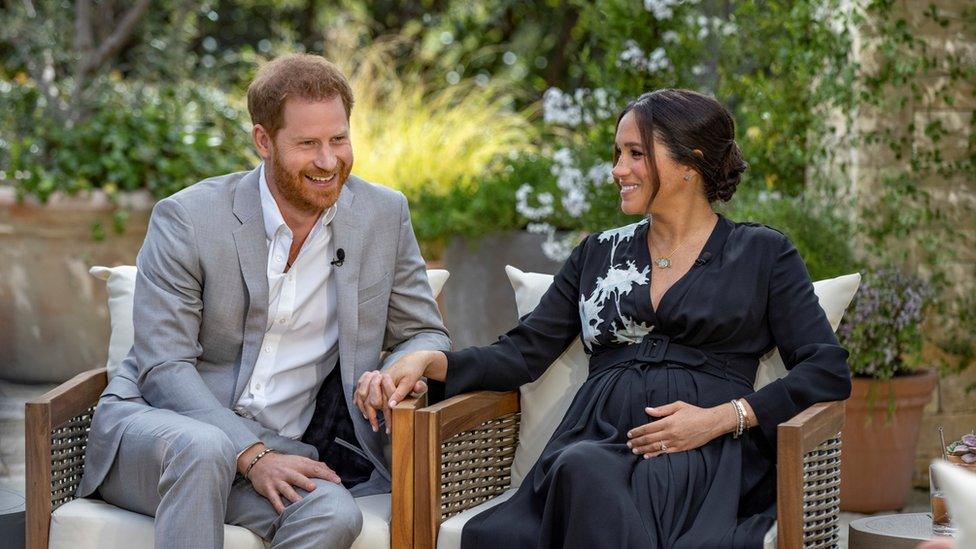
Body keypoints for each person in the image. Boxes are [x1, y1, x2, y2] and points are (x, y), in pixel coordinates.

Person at [361, 89, 852, 547]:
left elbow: (826, 369)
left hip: (703, 452)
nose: (619, 169)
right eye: (618, 154)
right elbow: (521, 353)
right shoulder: (599, 253)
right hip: (597, 440)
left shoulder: (762, 253)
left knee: (589, 476)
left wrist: (725, 419)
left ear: (691, 163)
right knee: (580, 469)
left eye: (636, 154)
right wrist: (432, 361)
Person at [76, 54, 450, 548]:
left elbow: (424, 331)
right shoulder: (188, 219)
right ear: (263, 141)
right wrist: (249, 454)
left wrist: (401, 365)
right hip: (160, 436)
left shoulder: (383, 215)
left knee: (333, 513)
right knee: (205, 447)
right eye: (307, 144)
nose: (328, 160)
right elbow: (163, 367)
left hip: (282, 447)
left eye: (338, 139)